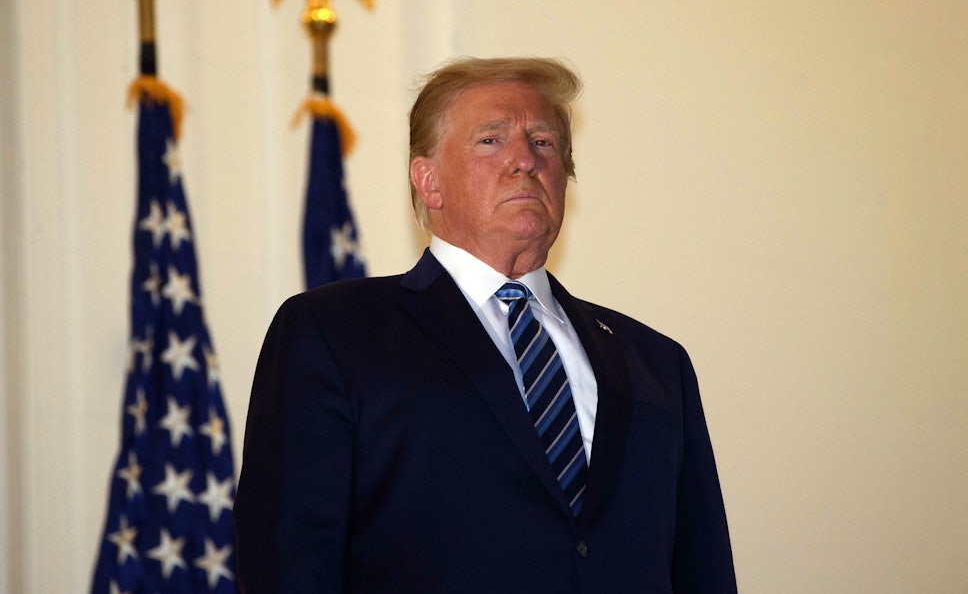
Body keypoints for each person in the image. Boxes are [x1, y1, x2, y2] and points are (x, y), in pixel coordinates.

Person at [233, 57, 737, 593]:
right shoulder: (333, 332)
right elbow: (288, 565)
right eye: (491, 141)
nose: (524, 161)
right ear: (429, 181)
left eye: (544, 143)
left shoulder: (655, 362)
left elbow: (701, 569)